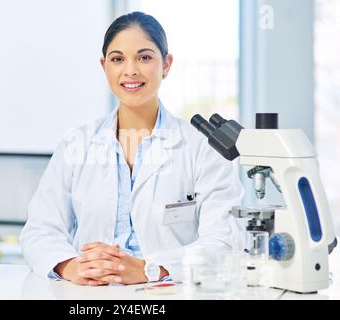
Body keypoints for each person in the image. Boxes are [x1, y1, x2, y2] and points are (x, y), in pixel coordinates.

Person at [20, 12, 244, 286]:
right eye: (117, 59)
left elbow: (225, 240)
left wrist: (152, 269)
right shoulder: (76, 144)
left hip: (167, 293)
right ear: (104, 66)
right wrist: (70, 266)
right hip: (91, 295)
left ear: (166, 65)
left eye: (144, 57)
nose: (130, 70)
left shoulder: (201, 148)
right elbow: (39, 230)